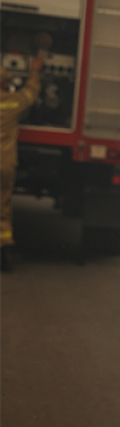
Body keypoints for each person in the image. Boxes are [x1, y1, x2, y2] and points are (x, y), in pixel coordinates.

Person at [1, 51, 44, 271]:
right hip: (5, 167)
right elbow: (31, 92)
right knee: (3, 207)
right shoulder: (14, 102)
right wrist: (34, 71)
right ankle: (4, 249)